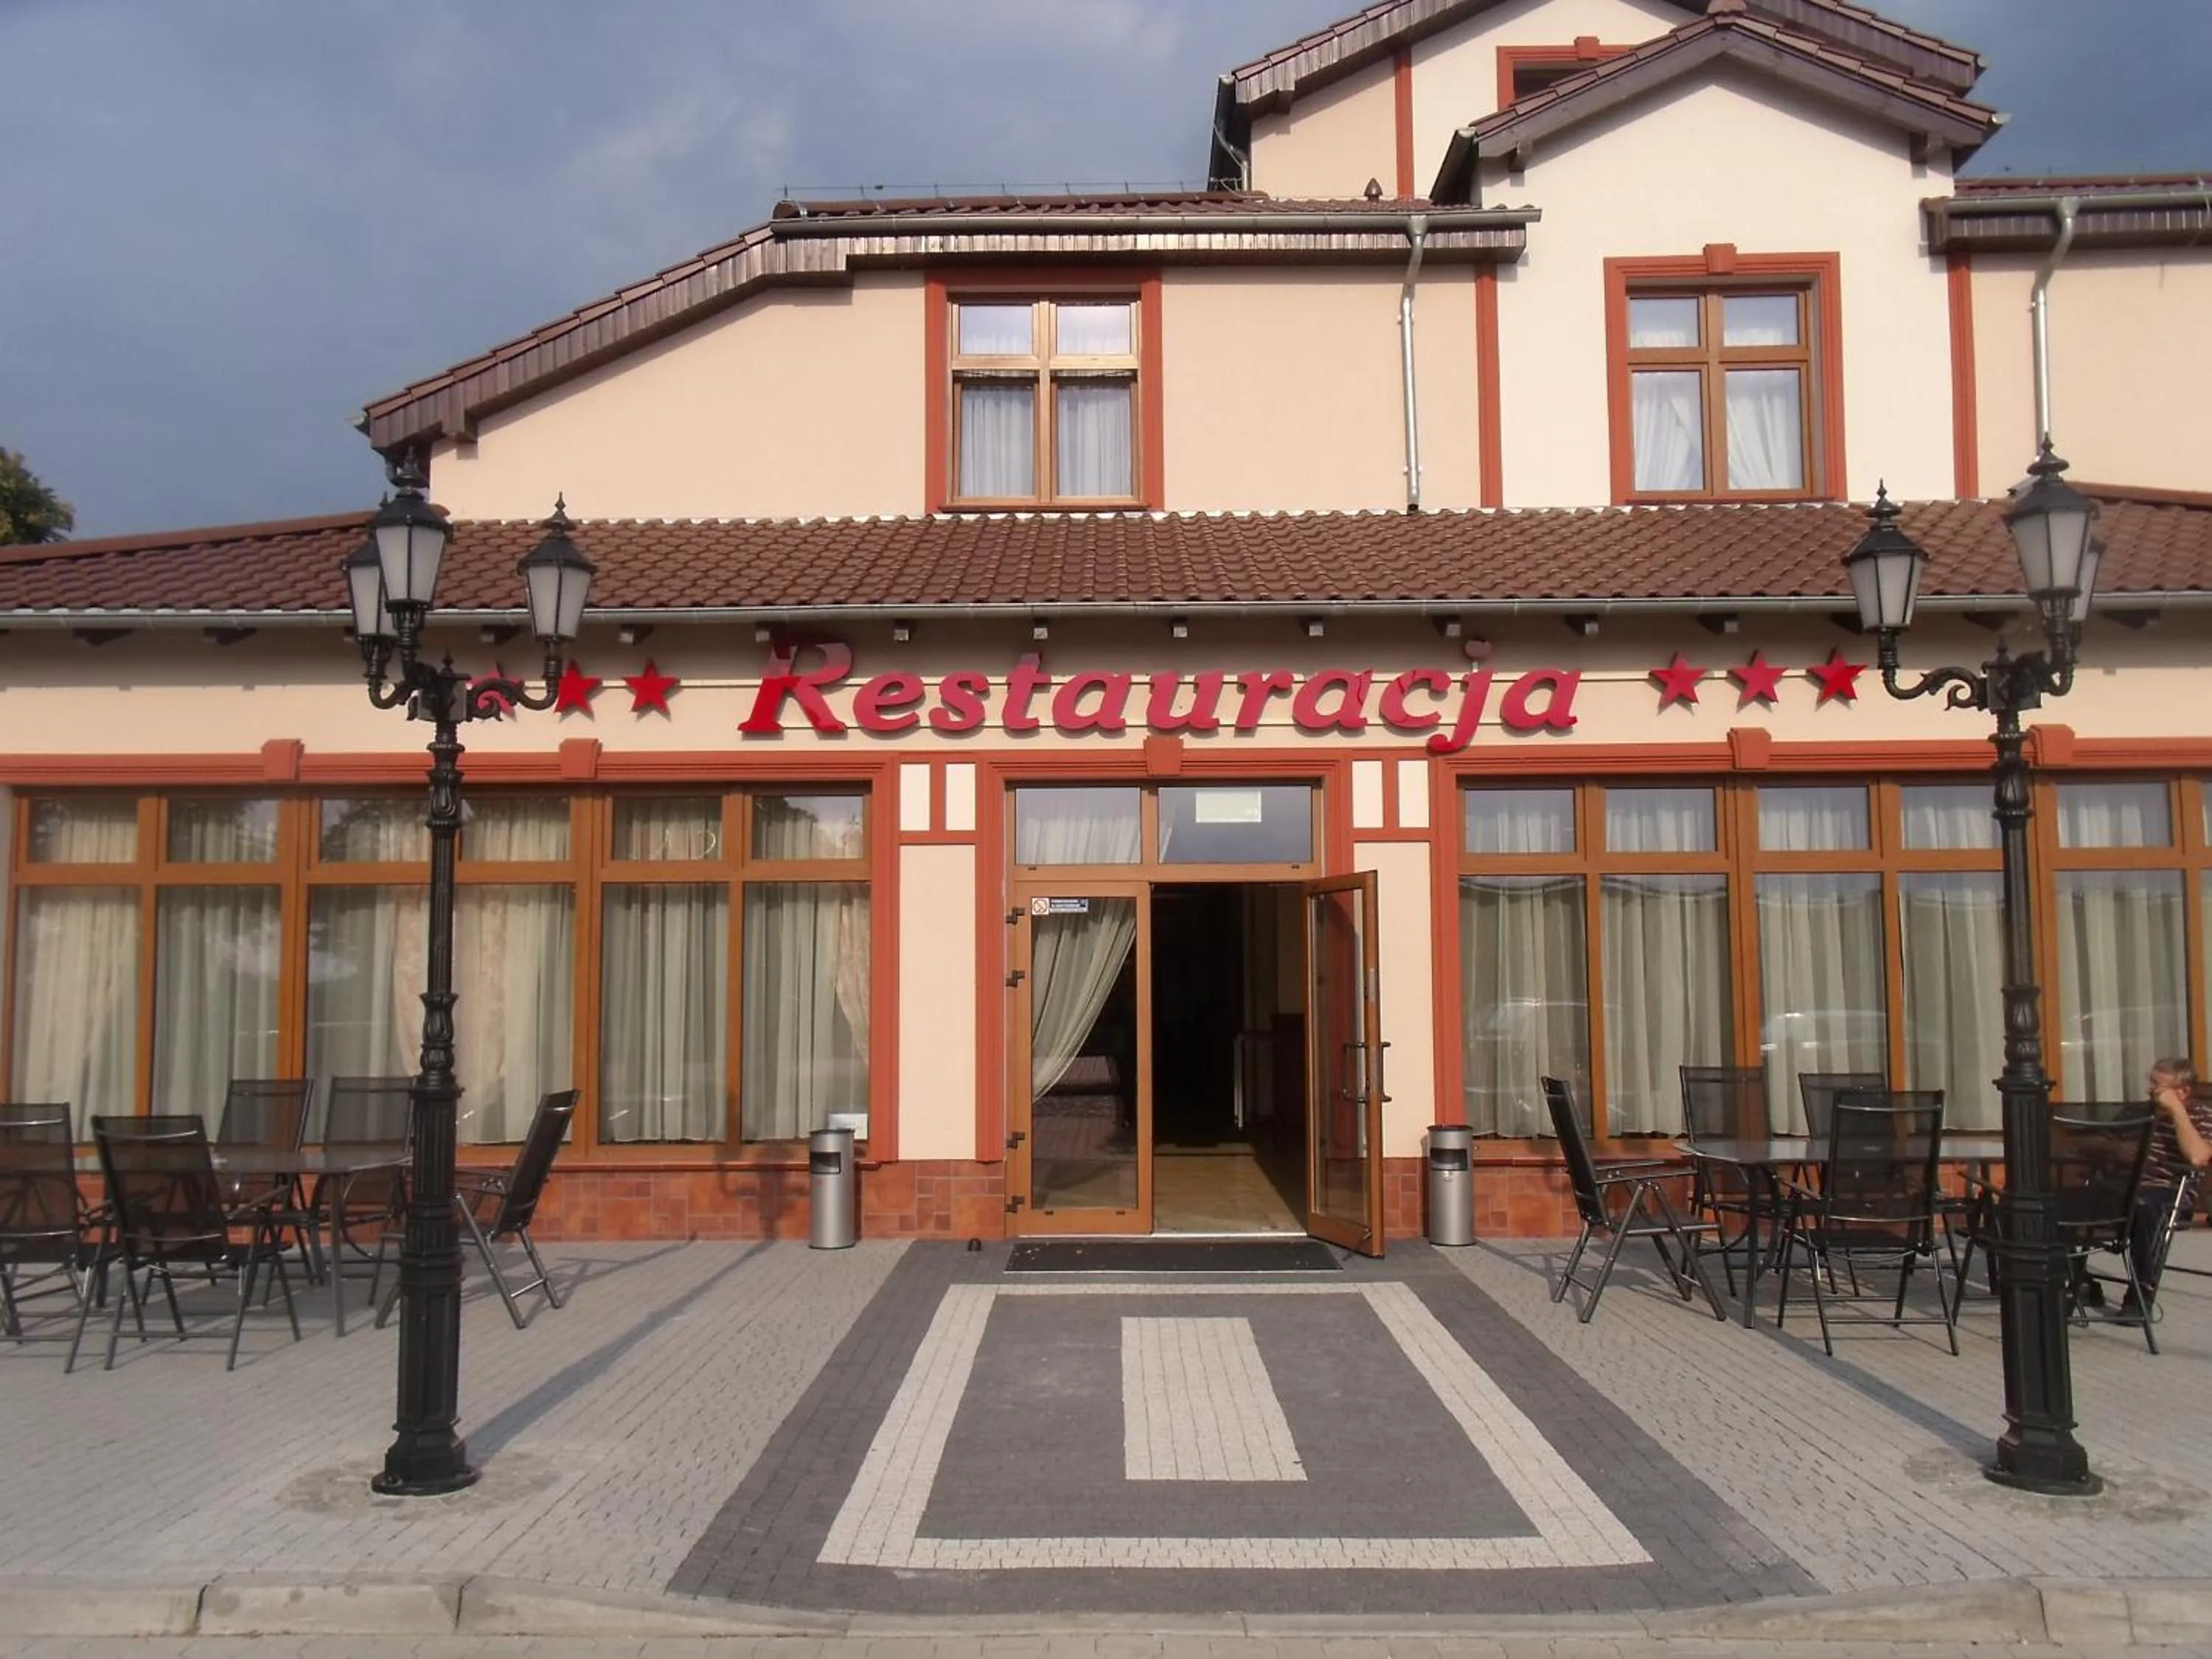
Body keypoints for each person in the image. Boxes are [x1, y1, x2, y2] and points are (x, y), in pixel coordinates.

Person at [2121, 1057, 2212, 1317]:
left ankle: (2141, 1293)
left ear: (2182, 1091)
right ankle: (2077, 1282)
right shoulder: (2139, 1112)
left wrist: (2176, 1111)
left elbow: (2198, 1157)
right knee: (2062, 1202)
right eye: (2150, 1083)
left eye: (2159, 1086)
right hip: (2123, 1184)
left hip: (2167, 1190)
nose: (2151, 1091)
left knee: (2145, 1206)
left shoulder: (2201, 1116)